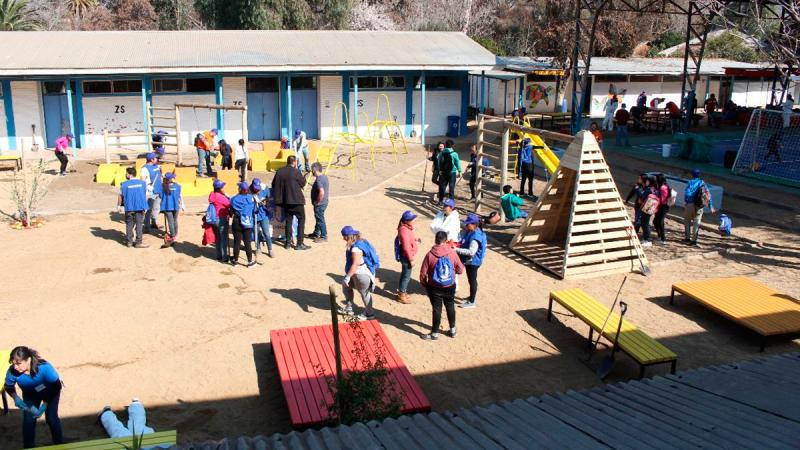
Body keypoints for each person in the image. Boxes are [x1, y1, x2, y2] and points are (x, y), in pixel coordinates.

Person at [4, 346, 64, 448]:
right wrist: (15, 398)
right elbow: (8, 386)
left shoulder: (44, 368)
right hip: (30, 395)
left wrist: (45, 405)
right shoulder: (12, 371)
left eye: (18, 363)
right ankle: (29, 447)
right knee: (28, 421)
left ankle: (60, 445)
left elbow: (56, 386)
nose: (15, 367)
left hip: (50, 393)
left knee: (51, 418)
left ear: (28, 359)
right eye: (13, 364)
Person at [419, 230, 464, 340]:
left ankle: (434, 333)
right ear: (446, 240)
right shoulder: (452, 253)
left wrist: (425, 284)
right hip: (450, 285)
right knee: (450, 306)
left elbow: (423, 273)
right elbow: (460, 270)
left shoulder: (430, 254)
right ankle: (453, 330)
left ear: (435, 239)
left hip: (434, 287)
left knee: (437, 309)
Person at [271, 155, 309, 250]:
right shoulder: (296, 171)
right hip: (296, 201)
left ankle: (288, 243)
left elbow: (273, 184)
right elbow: (303, 183)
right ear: (294, 162)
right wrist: (304, 177)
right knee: (301, 220)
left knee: (288, 221)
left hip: (285, 201)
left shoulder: (279, 171)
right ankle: (299, 243)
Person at [339, 226, 377, 320]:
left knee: (364, 293)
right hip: (357, 273)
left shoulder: (356, 248)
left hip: (360, 275)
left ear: (348, 236)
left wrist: (348, 277)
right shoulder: (361, 241)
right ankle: (349, 308)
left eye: (344, 236)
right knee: (346, 287)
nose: (343, 238)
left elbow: (355, 264)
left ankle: (369, 314)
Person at [455, 213, 487, 309]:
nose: (466, 225)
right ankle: (471, 297)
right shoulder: (472, 231)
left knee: (472, 280)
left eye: (468, 224)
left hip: (473, 262)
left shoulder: (475, 236)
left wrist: (455, 250)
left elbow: (471, 252)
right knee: (471, 280)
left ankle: (472, 301)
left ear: (474, 224)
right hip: (471, 261)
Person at [683, 168, 716, 246]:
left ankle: (687, 238)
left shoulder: (690, 182)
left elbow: (687, 193)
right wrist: (711, 206)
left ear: (692, 175)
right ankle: (694, 241)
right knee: (696, 223)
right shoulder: (702, 183)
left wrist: (686, 202)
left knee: (687, 221)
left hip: (690, 204)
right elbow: (707, 195)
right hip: (700, 205)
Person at [118, 167, 148, 248]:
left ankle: (129, 242)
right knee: (139, 224)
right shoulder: (143, 183)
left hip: (129, 207)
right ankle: (138, 242)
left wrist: (119, 206)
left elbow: (120, 196)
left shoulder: (123, 184)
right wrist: (145, 206)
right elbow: (145, 196)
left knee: (129, 224)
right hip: (140, 206)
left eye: (126, 173)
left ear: (129, 174)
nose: (125, 174)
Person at [395, 210, 420, 304]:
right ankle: (401, 294)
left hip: (406, 255)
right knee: (406, 276)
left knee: (405, 274)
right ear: (406, 221)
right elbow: (406, 247)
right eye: (412, 219)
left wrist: (415, 239)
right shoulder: (404, 230)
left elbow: (409, 239)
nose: (414, 220)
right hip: (406, 257)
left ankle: (402, 291)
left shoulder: (406, 228)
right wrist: (411, 260)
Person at [230, 181, 256, 266]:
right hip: (248, 222)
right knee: (247, 243)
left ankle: (235, 261)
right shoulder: (251, 198)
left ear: (240, 189)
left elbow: (231, 212)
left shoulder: (234, 199)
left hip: (237, 221)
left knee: (236, 242)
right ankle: (250, 261)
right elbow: (255, 211)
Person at [208, 180, 231, 262]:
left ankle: (218, 255)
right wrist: (227, 196)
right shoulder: (221, 197)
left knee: (217, 238)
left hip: (214, 219)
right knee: (223, 238)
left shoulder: (212, 195)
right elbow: (229, 204)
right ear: (220, 188)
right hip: (221, 218)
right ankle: (224, 257)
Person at [251, 178, 273, 258]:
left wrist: (266, 203)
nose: (257, 191)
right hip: (254, 215)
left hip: (264, 214)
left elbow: (269, 199)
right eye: (255, 189)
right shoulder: (249, 191)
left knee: (266, 232)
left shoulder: (265, 188)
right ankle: (258, 248)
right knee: (256, 233)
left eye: (258, 189)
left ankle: (270, 249)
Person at [159, 172, 183, 248]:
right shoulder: (178, 186)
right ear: (170, 179)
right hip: (176, 206)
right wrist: (182, 204)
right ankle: (175, 234)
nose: (174, 178)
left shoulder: (162, 187)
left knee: (170, 221)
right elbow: (180, 196)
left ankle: (172, 235)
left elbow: (160, 196)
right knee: (175, 220)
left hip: (167, 206)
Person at [308, 162, 329, 242]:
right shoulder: (324, 177)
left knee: (320, 219)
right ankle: (316, 233)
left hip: (320, 203)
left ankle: (324, 236)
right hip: (324, 202)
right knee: (318, 217)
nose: (311, 172)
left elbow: (322, 192)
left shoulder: (319, 180)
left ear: (314, 170)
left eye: (312, 170)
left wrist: (317, 201)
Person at [141, 153, 162, 233]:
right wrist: (148, 187)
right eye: (156, 158)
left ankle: (154, 222)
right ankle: (146, 227)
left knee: (156, 208)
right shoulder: (144, 169)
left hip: (159, 190)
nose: (157, 159)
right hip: (151, 191)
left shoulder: (156, 166)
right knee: (149, 209)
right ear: (151, 160)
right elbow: (143, 181)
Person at [638, 175, 658, 246]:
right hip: (651, 209)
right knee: (646, 224)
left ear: (650, 181)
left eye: (647, 180)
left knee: (645, 224)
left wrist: (639, 190)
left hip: (646, 208)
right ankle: (646, 239)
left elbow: (642, 197)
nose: (646, 182)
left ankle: (648, 240)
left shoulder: (649, 189)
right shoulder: (655, 189)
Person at [653, 173, 671, 245]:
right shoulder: (666, 186)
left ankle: (662, 239)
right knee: (656, 221)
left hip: (662, 207)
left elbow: (661, 199)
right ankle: (660, 236)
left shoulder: (662, 187)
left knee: (660, 222)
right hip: (664, 206)